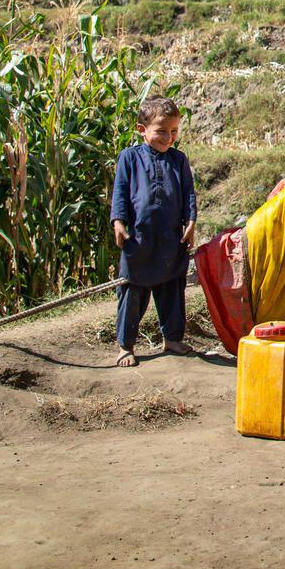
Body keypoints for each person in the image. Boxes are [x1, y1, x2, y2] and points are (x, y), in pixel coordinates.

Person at [109, 96, 197, 368]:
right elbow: (121, 192)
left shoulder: (178, 160)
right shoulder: (129, 158)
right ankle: (126, 345)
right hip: (139, 238)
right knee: (132, 291)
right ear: (141, 129)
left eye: (173, 131)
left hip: (171, 237)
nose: (168, 137)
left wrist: (191, 221)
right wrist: (118, 222)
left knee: (172, 288)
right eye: (161, 131)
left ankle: (171, 338)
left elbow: (188, 193)